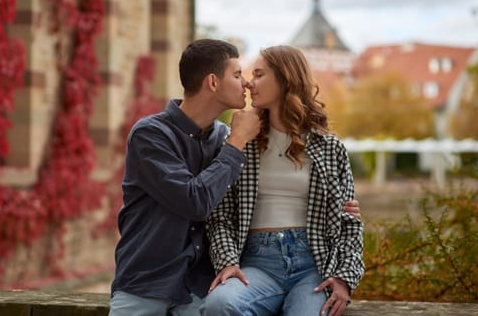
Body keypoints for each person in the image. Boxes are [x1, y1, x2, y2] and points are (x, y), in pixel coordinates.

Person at [200, 45, 365, 316]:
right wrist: (227, 262)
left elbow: (349, 221)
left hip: (313, 266)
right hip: (257, 264)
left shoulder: (329, 147)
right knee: (220, 304)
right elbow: (220, 216)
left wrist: (345, 278)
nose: (250, 83)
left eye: (259, 74)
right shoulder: (241, 142)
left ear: (285, 78)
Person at [109, 38, 262, 316]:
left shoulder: (224, 139)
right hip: (144, 287)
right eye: (237, 75)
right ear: (213, 82)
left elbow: (256, 197)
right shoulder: (150, 135)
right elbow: (194, 201)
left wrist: (338, 208)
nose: (247, 84)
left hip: (201, 293)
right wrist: (237, 141)